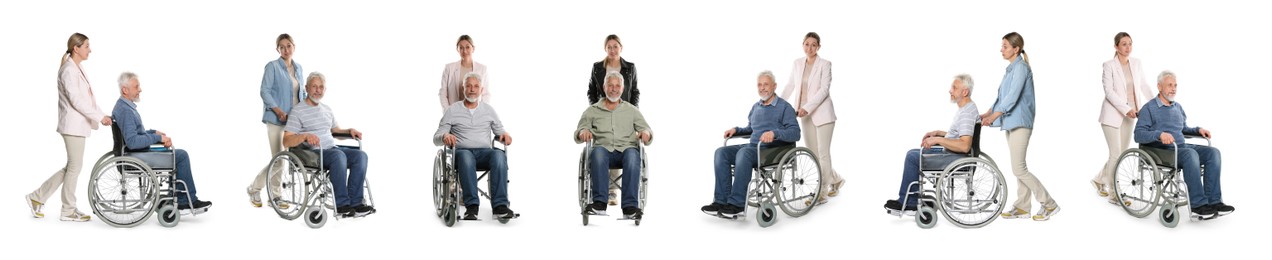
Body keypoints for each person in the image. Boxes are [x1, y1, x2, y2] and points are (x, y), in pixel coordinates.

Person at [26, 33, 112, 222]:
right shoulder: (68, 70)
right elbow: (77, 101)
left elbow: (88, 99)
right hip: (72, 125)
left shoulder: (76, 68)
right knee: (74, 167)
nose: (90, 50)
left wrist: (103, 115)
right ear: (76, 48)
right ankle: (67, 210)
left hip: (77, 125)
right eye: (87, 46)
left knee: (72, 167)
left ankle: (37, 197)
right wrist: (99, 117)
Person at [1133, 71, 1233, 219]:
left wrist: (1198, 130)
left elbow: (1183, 129)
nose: (1173, 89)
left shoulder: (1177, 107)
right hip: (1162, 151)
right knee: (1190, 155)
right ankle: (1198, 205)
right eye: (1169, 85)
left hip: (1180, 147)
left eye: (1175, 85)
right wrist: (1159, 134)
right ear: (1159, 87)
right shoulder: (1149, 108)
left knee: (1214, 152)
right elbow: (1138, 134)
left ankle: (1214, 201)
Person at [982, 32, 1060, 221]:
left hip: (1020, 122)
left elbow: (1012, 97)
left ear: (1016, 49)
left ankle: (1050, 204)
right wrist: (987, 113)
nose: (1002, 49)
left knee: (1019, 169)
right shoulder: (1011, 69)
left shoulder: (1021, 68)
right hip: (1011, 122)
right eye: (1002, 46)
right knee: (1019, 166)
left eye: (1005, 46)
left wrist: (994, 116)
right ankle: (1023, 207)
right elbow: (1001, 97)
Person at [700, 70, 800, 218]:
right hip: (754, 147)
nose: (762, 88)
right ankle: (721, 201)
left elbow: (795, 132)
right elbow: (751, 129)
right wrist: (736, 130)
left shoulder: (784, 107)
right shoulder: (756, 107)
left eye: (766, 84)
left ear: (774, 86)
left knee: (743, 154)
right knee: (721, 152)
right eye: (759, 85)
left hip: (773, 149)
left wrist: (774, 133)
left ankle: (737, 204)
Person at [111, 72, 213, 212]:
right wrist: (158, 139)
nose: (140, 89)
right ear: (125, 90)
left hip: (136, 154)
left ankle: (175, 196)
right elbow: (133, 141)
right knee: (181, 156)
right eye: (136, 86)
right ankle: (184, 201)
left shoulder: (125, 107)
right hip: (135, 156)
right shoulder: (125, 110)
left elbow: (136, 134)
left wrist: (153, 132)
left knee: (174, 154)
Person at [283, 72, 375, 218]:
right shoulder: (298, 111)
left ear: (325, 90)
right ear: (306, 88)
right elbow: (286, 140)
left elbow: (335, 132)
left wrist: (349, 131)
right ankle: (342, 205)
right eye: (314, 86)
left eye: (321, 87)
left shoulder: (327, 109)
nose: (318, 90)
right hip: (313, 154)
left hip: (332, 149)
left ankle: (356, 203)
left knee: (360, 156)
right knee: (338, 156)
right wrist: (305, 135)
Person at [883, 74, 978, 214]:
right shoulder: (966, 109)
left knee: (913, 157)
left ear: (965, 92)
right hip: (953, 154)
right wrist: (939, 133)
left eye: (954, 87)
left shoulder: (966, 113)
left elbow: (964, 145)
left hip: (957, 158)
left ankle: (909, 203)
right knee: (914, 153)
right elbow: (958, 136)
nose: (950, 91)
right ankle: (911, 199)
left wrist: (938, 140)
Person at [434, 72, 518, 220]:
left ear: (481, 90)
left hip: (485, 153)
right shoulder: (452, 110)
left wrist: (506, 136)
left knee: (499, 154)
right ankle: (472, 206)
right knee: (466, 157)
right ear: (463, 88)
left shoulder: (489, 110)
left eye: (476, 86)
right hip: (461, 152)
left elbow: (502, 133)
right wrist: (445, 136)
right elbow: (436, 138)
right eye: (469, 86)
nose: (472, 89)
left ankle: (500, 206)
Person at [575, 71, 653, 219]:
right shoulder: (592, 111)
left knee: (632, 154)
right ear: (604, 87)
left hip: (626, 151)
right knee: (597, 152)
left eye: (617, 86)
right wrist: (583, 132)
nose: (614, 89)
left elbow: (647, 129)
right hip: (602, 152)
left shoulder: (631, 110)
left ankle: (630, 207)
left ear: (622, 89)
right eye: (610, 85)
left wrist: (646, 133)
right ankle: (599, 204)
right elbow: (579, 130)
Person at [778, 32, 842, 205]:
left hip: (822, 114)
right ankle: (835, 179)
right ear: (803, 45)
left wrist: (807, 107)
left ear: (819, 47)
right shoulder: (797, 63)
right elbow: (790, 85)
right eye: (807, 44)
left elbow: (824, 90)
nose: (810, 48)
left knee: (823, 153)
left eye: (814, 45)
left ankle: (820, 193)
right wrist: (778, 105)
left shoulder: (825, 64)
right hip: (803, 114)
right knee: (814, 153)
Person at [1092, 32, 1154, 206]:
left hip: (1132, 115)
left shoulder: (1137, 63)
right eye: (1124, 44)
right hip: (1112, 116)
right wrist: (1126, 109)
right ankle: (1114, 193)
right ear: (1116, 47)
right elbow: (1109, 92)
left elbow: (1143, 85)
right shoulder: (1109, 65)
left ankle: (1099, 179)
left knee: (1120, 153)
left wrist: (1155, 103)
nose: (1128, 47)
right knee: (1115, 154)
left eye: (1130, 44)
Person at [248, 34, 305, 209]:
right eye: (282, 47)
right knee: (279, 160)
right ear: (277, 49)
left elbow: (300, 94)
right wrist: (278, 110)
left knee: (285, 159)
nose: (286, 50)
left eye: (289, 46)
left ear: (294, 47)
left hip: (293, 122)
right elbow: (264, 91)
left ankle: (273, 195)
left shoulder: (299, 68)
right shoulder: (272, 67)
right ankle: (258, 189)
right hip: (276, 119)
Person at [587, 34, 640, 205]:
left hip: (624, 111)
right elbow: (591, 91)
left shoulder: (630, 67)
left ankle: (621, 198)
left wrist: (631, 113)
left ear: (621, 48)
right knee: (605, 142)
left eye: (615, 46)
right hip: (602, 111)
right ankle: (605, 194)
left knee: (623, 144)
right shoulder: (597, 67)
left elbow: (635, 92)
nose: (612, 49)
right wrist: (597, 110)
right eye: (609, 46)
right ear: (605, 49)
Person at [439, 34, 490, 111]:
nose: (464, 51)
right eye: (461, 48)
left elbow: (486, 94)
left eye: (467, 47)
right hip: (454, 112)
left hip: (474, 112)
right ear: (457, 50)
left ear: (473, 48)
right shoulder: (449, 68)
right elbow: (443, 93)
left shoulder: (482, 69)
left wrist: (480, 112)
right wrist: (447, 111)